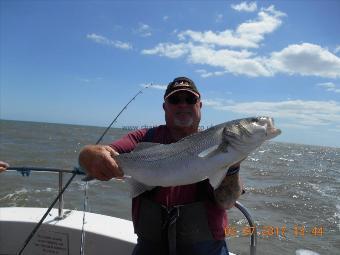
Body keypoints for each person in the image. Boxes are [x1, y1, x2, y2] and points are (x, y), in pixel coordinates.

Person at [78, 76, 243, 255]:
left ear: (199, 105)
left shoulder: (217, 143)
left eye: (190, 99)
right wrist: (90, 155)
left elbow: (227, 202)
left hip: (206, 247)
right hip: (150, 246)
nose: (183, 104)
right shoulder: (143, 137)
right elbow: (97, 153)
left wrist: (232, 165)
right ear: (165, 107)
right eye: (174, 99)